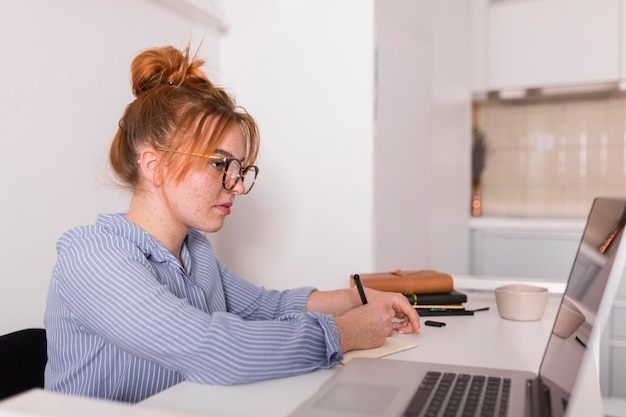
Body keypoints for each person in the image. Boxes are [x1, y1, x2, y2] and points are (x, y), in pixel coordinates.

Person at [43, 45, 420, 403]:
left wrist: (357, 298)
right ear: (154, 167)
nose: (237, 185)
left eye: (239, 169)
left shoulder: (194, 252)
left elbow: (265, 307)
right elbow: (215, 350)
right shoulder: (91, 257)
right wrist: (345, 332)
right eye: (219, 164)